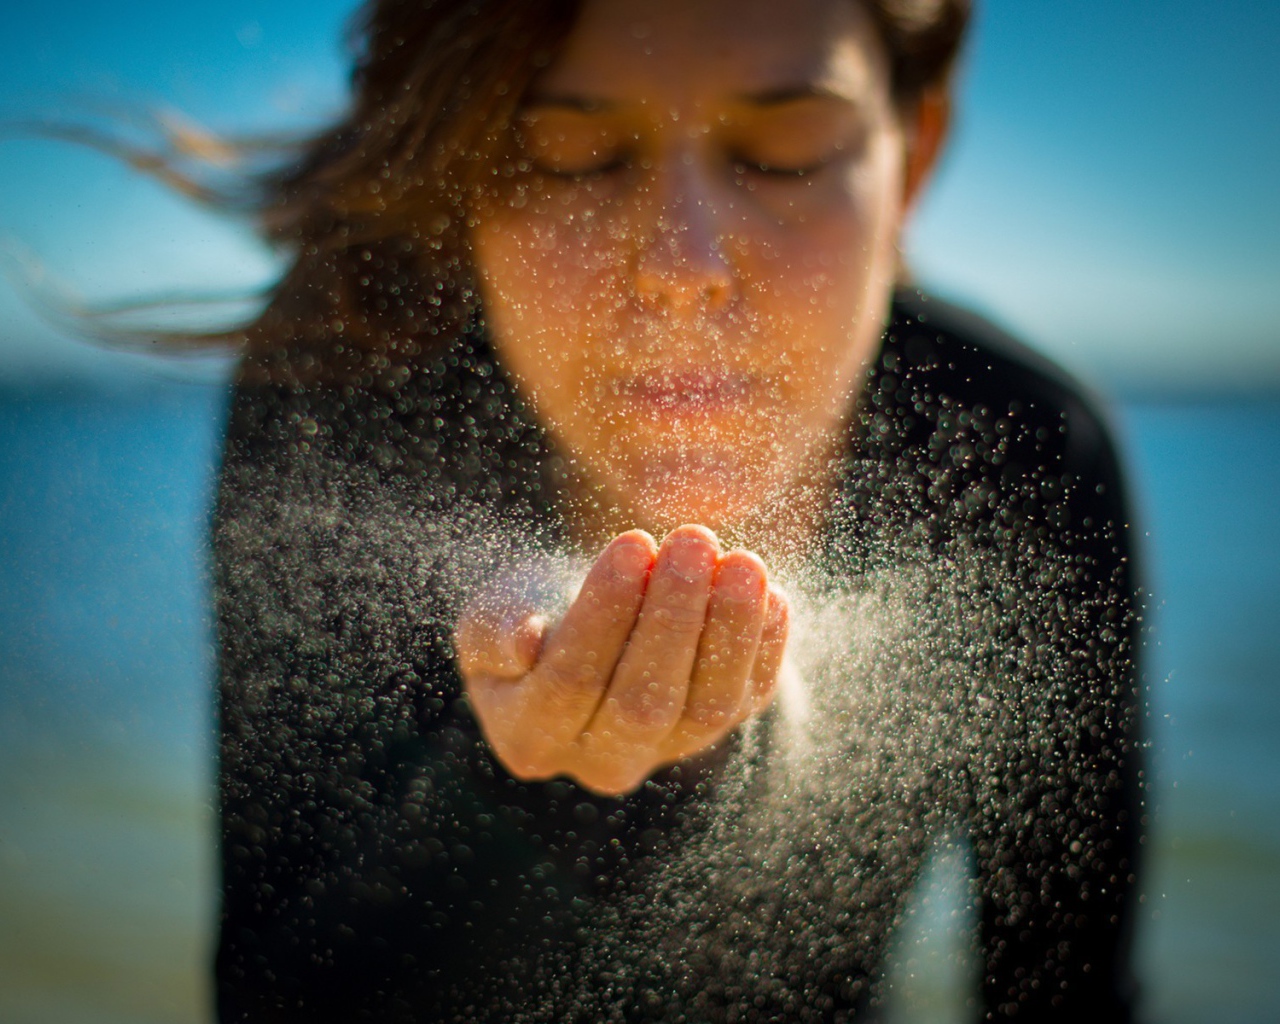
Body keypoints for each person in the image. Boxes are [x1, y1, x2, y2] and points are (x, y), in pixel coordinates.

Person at [208, 0, 1144, 1020]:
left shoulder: (1012, 453)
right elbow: (269, 989)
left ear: (910, 161)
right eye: (569, 155)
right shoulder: (348, 393)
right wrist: (519, 780)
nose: (681, 267)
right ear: (461, 179)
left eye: (784, 153)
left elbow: (1066, 993)